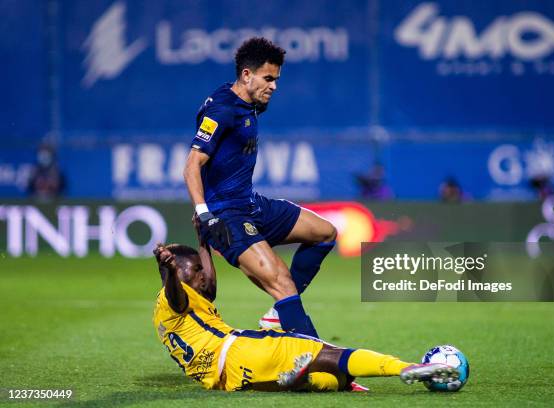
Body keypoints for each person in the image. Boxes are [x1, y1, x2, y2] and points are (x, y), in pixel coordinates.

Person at [152, 239, 459, 392]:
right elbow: (177, 297)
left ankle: (305, 380)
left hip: (228, 379)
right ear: (176, 272)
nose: (203, 275)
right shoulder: (174, 295)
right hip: (241, 348)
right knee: (334, 354)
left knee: (335, 380)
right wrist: (168, 268)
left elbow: (209, 286)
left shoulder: (169, 307)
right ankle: (405, 368)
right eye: (195, 270)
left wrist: (202, 239)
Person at [183, 37, 336, 338]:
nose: (274, 86)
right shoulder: (222, 111)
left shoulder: (248, 102)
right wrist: (203, 214)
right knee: (283, 284)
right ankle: (318, 363)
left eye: (276, 79)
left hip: (251, 205)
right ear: (246, 75)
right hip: (227, 216)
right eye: (269, 78)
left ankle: (280, 316)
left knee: (324, 233)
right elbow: (191, 165)